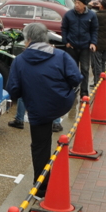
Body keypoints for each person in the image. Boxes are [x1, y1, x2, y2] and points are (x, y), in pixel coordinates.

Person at [6, 23, 81, 198]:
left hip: (37, 109)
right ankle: (56, 122)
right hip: (61, 103)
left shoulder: (20, 60)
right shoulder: (60, 55)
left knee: (40, 147)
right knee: (49, 135)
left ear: (28, 39)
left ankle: (40, 188)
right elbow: (76, 78)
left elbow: (13, 90)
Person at [60, 0, 98, 99]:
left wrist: (93, 43)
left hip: (85, 47)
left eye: (79, 3)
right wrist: (66, 42)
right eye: (75, 3)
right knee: (72, 70)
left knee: (85, 69)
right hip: (72, 46)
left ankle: (84, 92)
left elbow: (94, 30)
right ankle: (72, 90)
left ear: (84, 5)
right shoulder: (69, 14)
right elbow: (64, 28)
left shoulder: (92, 15)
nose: (76, 5)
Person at [91, 0, 106, 80]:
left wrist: (90, 5)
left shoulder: (97, 15)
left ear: (101, 6)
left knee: (97, 63)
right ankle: (104, 80)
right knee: (103, 62)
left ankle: (97, 81)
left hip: (97, 42)